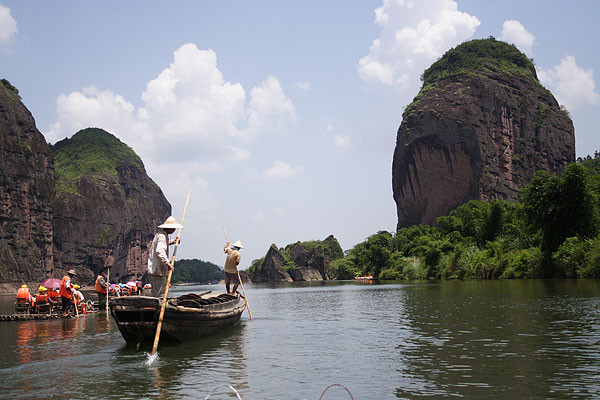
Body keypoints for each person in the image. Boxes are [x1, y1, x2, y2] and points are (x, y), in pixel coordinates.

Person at [147, 216, 181, 298]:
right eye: (173, 228)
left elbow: (162, 245)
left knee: (161, 293)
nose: (174, 230)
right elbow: (160, 250)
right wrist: (167, 263)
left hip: (157, 271)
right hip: (157, 271)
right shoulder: (162, 236)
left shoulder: (161, 235)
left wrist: (172, 242)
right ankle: (158, 310)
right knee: (159, 295)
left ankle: (159, 308)